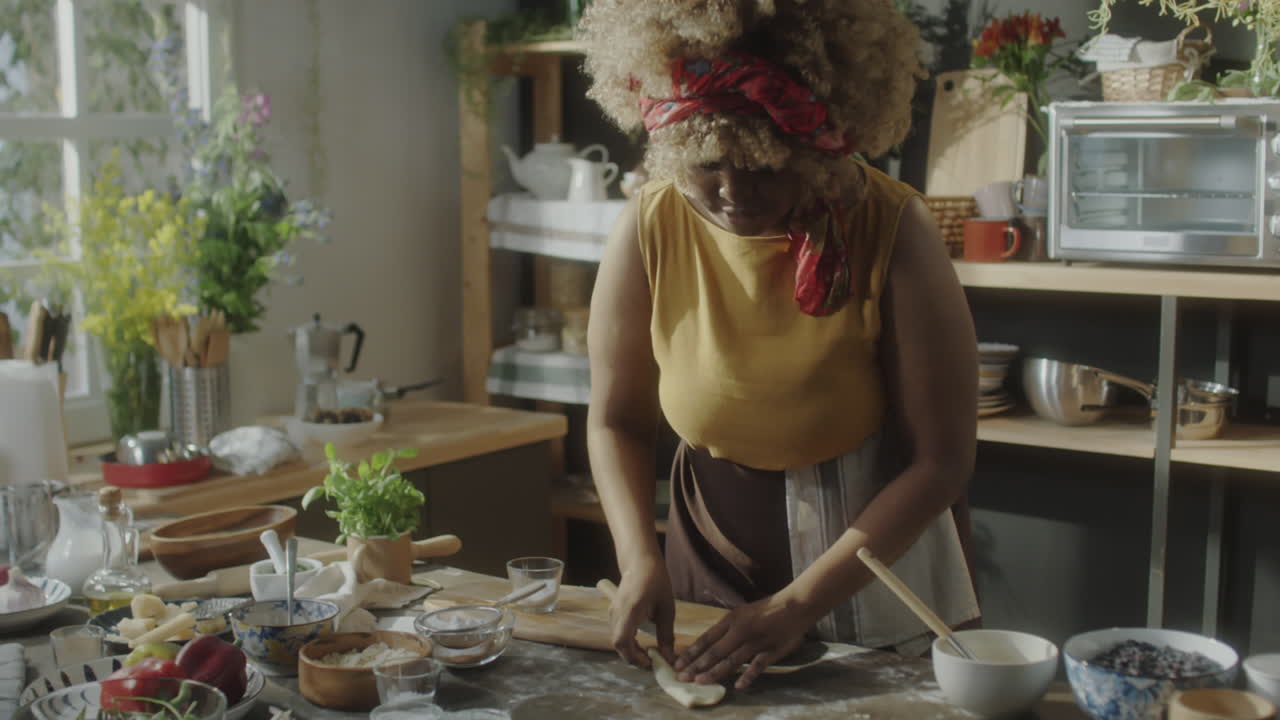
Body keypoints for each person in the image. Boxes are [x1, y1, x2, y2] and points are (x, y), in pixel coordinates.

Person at [580, 0, 982, 691]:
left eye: (765, 165)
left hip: (875, 556)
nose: (734, 192)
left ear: (819, 143)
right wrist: (637, 556)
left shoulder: (893, 228)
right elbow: (617, 420)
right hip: (709, 543)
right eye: (707, 163)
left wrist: (799, 603)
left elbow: (941, 462)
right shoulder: (650, 225)